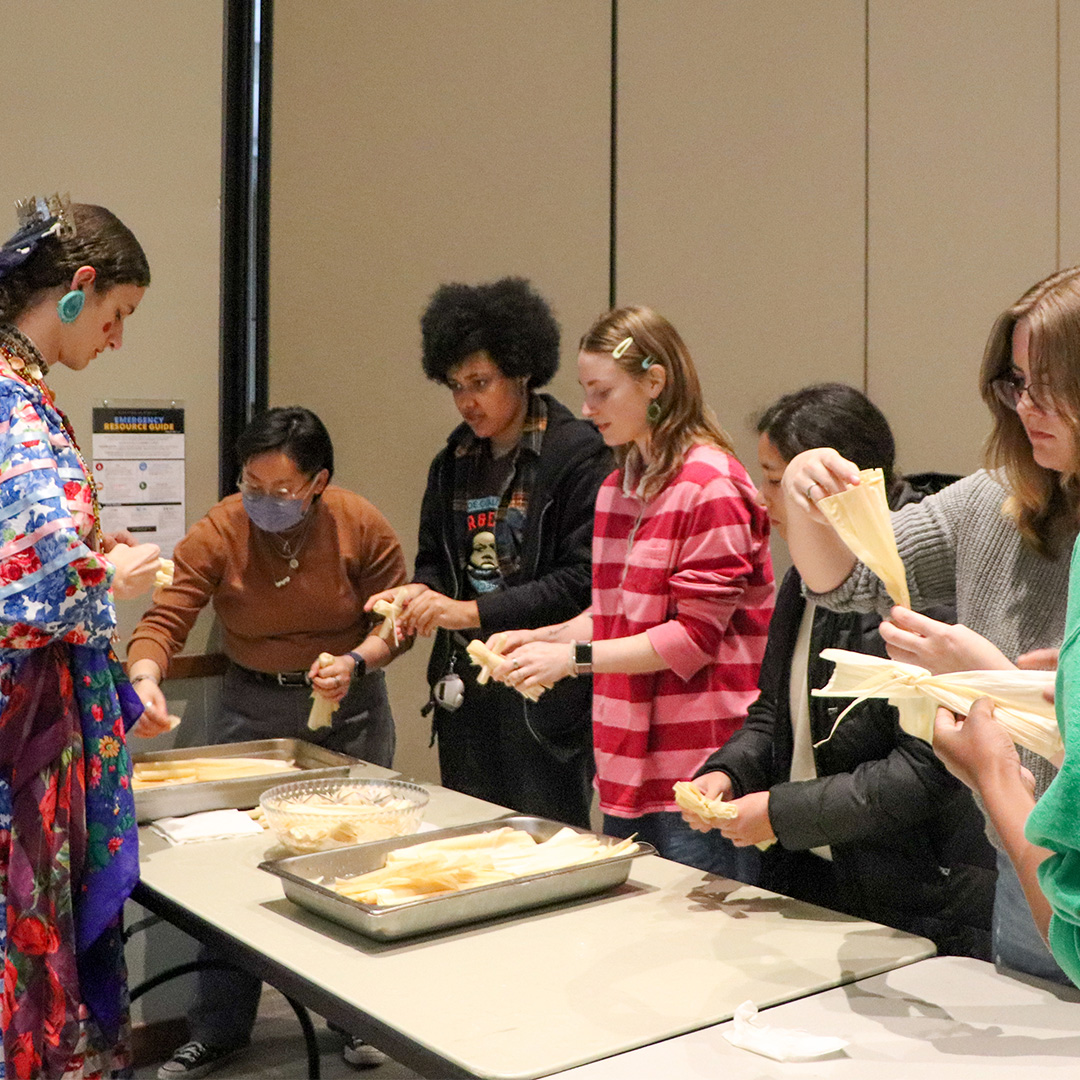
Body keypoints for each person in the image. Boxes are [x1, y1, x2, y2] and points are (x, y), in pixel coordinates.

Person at [778, 266, 1080, 982]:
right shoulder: (996, 500)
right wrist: (805, 491)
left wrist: (991, 680)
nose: (1027, 405)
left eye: (1051, 384)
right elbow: (848, 578)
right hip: (1022, 865)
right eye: (1016, 381)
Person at [128, 406, 407, 1076]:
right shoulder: (221, 529)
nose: (261, 502)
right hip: (251, 711)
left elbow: (400, 618)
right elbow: (168, 617)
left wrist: (357, 661)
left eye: (279, 491)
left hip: (349, 711)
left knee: (356, 869)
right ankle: (221, 1027)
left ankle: (356, 1019)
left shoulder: (359, 522)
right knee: (230, 876)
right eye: (251, 485)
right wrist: (142, 676)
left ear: (317, 482)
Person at [680, 384, 995, 956]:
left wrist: (780, 812)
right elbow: (777, 711)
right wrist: (729, 774)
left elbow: (927, 770)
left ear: (828, 484)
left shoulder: (919, 575)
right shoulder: (811, 566)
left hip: (913, 891)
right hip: (809, 870)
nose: (760, 495)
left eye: (775, 479)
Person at [488, 306, 774, 879]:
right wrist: (540, 638)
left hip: (700, 769)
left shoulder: (710, 485)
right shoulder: (619, 486)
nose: (588, 410)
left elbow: (691, 640)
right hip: (623, 764)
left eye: (602, 392)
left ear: (655, 382)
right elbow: (615, 613)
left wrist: (570, 660)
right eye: (584, 392)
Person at [0, 196, 161, 1077]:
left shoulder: (21, 397)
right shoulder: (12, 404)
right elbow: (27, 583)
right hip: (22, 736)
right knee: (23, 954)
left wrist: (93, 562)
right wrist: (108, 578)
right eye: (116, 315)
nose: (116, 337)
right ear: (79, 288)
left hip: (31, 723)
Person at [367, 277, 611, 829]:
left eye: (480, 382)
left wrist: (470, 612)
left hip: (545, 688)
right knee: (474, 838)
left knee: (547, 842)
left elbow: (581, 580)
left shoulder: (577, 453)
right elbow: (434, 560)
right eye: (455, 385)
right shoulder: (451, 459)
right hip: (466, 692)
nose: (466, 401)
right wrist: (419, 593)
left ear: (522, 370)